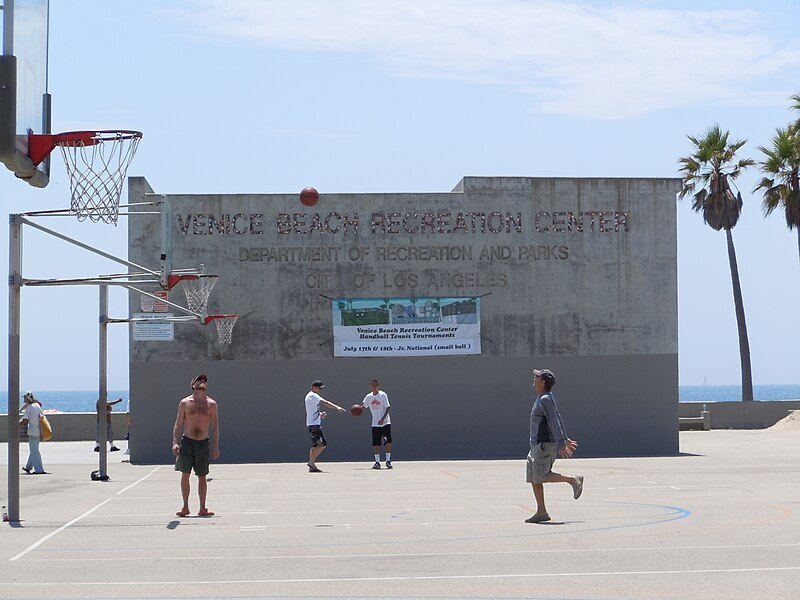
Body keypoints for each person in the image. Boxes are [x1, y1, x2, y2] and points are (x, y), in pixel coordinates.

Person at [525, 368, 584, 523]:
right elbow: (556, 417)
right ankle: (541, 511)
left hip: (544, 445)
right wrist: (564, 437)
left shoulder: (545, 398)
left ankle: (573, 480)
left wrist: (561, 441)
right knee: (534, 477)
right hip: (536, 444)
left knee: (542, 475)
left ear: (543, 382)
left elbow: (554, 420)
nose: (534, 379)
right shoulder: (543, 397)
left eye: (537, 377)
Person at [172, 374, 220, 517]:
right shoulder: (185, 403)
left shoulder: (211, 404)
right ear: (193, 384)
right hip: (187, 442)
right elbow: (178, 423)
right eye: (199, 380)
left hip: (203, 443)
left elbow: (215, 427)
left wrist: (216, 446)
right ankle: (185, 507)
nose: (202, 382)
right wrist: (174, 442)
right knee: (185, 474)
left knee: (202, 476)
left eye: (204, 381)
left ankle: (202, 508)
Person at [305, 380, 346, 472]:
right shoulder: (313, 395)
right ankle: (311, 462)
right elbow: (325, 402)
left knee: (315, 445)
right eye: (319, 388)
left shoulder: (311, 396)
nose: (320, 390)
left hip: (313, 424)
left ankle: (312, 464)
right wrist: (337, 407)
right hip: (314, 425)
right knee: (322, 444)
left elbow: (312, 410)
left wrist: (320, 415)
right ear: (313, 387)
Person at [362, 378, 392, 469]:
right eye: (372, 385)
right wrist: (357, 410)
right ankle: (377, 462)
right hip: (375, 424)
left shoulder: (383, 395)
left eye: (375, 385)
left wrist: (383, 419)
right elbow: (363, 406)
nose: (374, 387)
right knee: (376, 443)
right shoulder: (368, 397)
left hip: (385, 423)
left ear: (378, 386)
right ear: (370, 386)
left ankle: (388, 460)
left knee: (388, 441)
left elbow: (388, 407)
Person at [19, 392, 47, 474]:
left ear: (28, 398)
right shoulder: (36, 406)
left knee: (34, 451)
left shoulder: (30, 408)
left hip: (32, 432)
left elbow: (25, 420)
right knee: (34, 450)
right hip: (38, 431)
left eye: (25, 398)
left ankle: (39, 469)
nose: (24, 400)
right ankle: (28, 467)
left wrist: (17, 426)